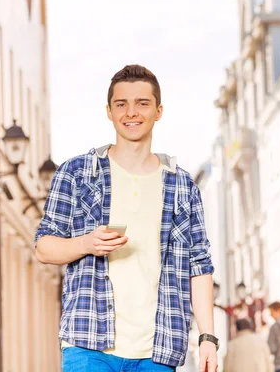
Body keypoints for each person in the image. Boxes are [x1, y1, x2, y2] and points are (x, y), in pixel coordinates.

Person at [34, 65, 219, 372]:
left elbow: (199, 266)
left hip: (157, 350)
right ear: (109, 111)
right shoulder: (77, 174)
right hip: (88, 343)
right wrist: (87, 243)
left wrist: (207, 337)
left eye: (142, 103)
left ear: (158, 111)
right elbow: (44, 246)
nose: (131, 112)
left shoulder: (183, 186)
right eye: (121, 104)